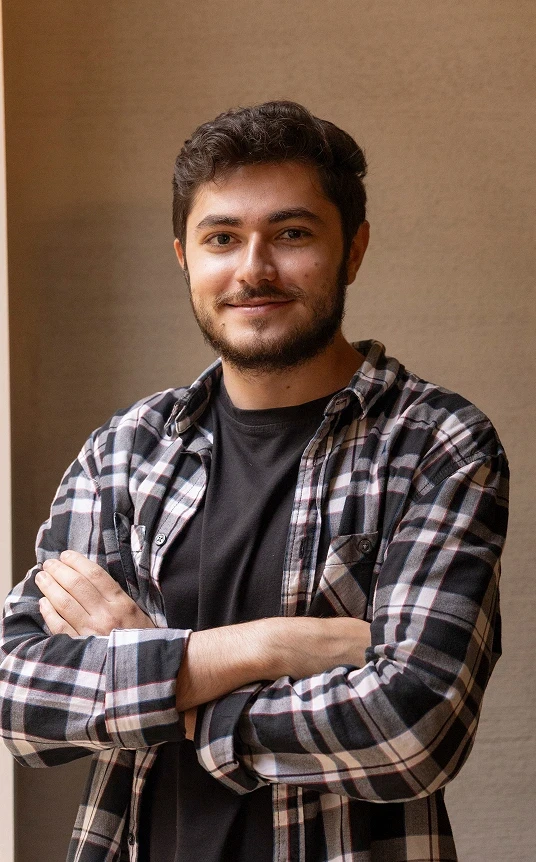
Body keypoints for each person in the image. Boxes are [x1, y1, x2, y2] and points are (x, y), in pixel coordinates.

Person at [0, 101, 508, 862]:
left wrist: (144, 664)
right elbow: (17, 698)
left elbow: (413, 729)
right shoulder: (126, 449)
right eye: (222, 238)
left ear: (354, 249)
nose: (253, 269)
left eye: (292, 234)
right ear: (184, 256)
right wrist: (265, 647)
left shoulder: (435, 443)